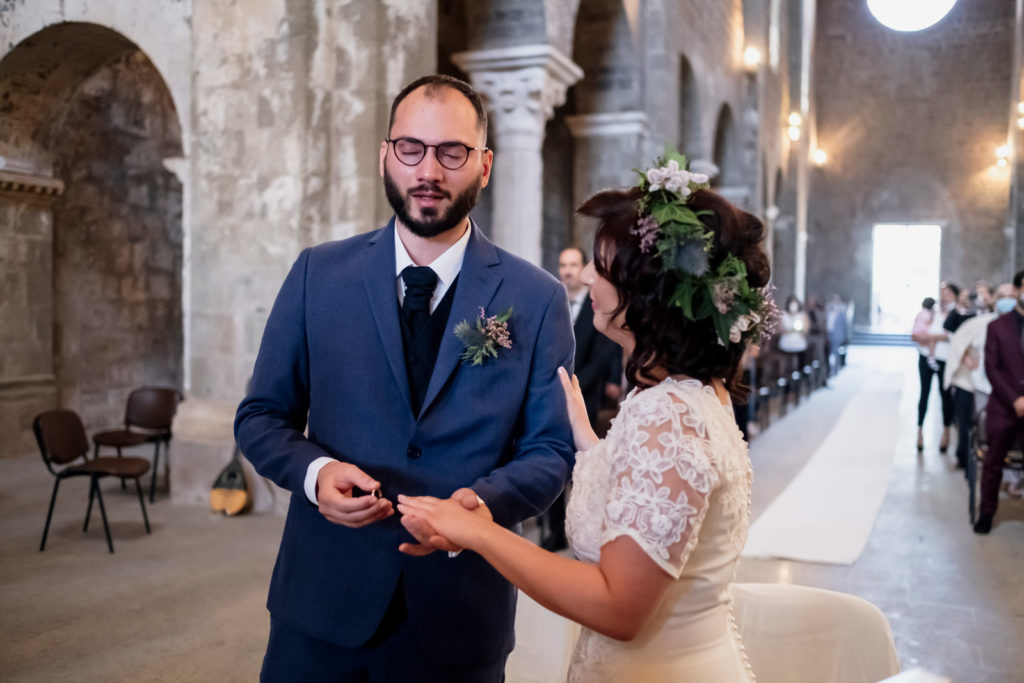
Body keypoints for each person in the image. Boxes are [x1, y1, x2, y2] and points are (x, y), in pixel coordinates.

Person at [234, 74, 575, 681]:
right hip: (320, 609)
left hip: (459, 615)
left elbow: (551, 450)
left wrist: (482, 506)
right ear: (385, 155)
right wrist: (316, 474)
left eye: (452, 152)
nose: (429, 172)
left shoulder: (536, 297)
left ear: (485, 165)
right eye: (411, 149)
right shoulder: (319, 274)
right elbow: (261, 416)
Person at [399, 149, 774, 682]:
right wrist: (591, 445)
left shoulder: (668, 416)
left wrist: (477, 532)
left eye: (602, 268)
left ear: (647, 296)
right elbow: (655, 508)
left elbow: (617, 606)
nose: (590, 282)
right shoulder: (691, 395)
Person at [539, 246, 623, 551]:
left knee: (582, 463)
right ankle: (555, 529)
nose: (570, 270)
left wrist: (574, 387)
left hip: (587, 394)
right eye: (564, 264)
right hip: (550, 395)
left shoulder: (595, 306)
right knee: (551, 457)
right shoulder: (550, 300)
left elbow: (604, 353)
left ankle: (584, 523)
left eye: (574, 264)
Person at [975, 270, 1024, 534]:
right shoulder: (997, 326)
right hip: (1004, 406)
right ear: (1017, 291)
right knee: (993, 462)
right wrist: (1015, 399)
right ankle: (986, 513)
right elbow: (992, 368)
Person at [945, 284, 1011, 471]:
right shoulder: (975, 318)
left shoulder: (1010, 324)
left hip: (998, 385)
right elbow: (957, 336)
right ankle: (964, 457)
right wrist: (965, 356)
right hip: (971, 382)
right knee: (968, 423)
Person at [912, 283, 957, 452]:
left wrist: (931, 337)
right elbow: (915, 335)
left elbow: (951, 337)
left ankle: (945, 434)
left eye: (948, 293)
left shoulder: (955, 314)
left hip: (944, 358)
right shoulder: (931, 313)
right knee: (924, 393)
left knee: (945, 395)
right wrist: (936, 337)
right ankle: (919, 431)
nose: (944, 296)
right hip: (925, 357)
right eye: (942, 293)